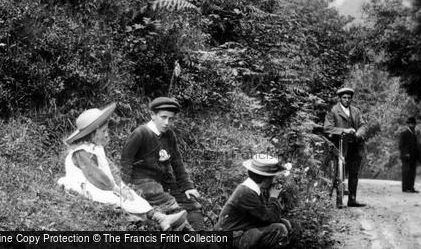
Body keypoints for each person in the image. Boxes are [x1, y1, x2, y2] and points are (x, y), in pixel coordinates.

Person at [57, 102, 187, 230]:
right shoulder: (81, 152)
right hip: (87, 186)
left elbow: (110, 169)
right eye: (103, 131)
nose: (107, 134)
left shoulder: (96, 148)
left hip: (102, 184)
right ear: (94, 133)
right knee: (116, 200)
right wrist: (115, 188)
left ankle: (161, 218)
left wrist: (121, 186)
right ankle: (148, 221)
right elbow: (95, 175)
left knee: (131, 195)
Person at [120, 96, 205, 229]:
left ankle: (204, 237)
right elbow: (126, 161)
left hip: (164, 180)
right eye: (163, 117)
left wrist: (188, 186)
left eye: (170, 119)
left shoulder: (169, 134)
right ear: (153, 115)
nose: (167, 122)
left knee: (191, 202)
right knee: (170, 203)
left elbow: (177, 163)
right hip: (142, 180)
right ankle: (190, 237)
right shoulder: (140, 133)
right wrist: (123, 187)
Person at [214, 154, 292, 248]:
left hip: (240, 230)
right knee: (280, 229)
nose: (273, 181)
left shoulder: (252, 188)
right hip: (230, 238)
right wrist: (274, 197)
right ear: (267, 179)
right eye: (272, 178)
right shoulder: (246, 193)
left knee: (284, 223)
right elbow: (270, 218)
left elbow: (263, 215)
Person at [324, 86, 367, 208]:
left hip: (355, 146)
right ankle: (339, 200)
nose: (347, 100)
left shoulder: (356, 111)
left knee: (354, 173)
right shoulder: (333, 111)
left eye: (349, 98)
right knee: (340, 174)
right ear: (339, 98)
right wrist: (344, 130)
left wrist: (359, 133)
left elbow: (363, 125)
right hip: (341, 147)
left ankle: (352, 200)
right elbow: (327, 128)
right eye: (344, 98)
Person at [399, 116, 419, 193]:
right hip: (406, 157)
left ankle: (411, 187)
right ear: (408, 124)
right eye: (411, 124)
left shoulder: (414, 134)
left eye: (413, 124)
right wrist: (405, 153)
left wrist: (417, 155)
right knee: (406, 172)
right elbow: (401, 145)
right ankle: (405, 188)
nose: (412, 125)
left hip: (413, 157)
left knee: (412, 172)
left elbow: (416, 146)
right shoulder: (404, 133)